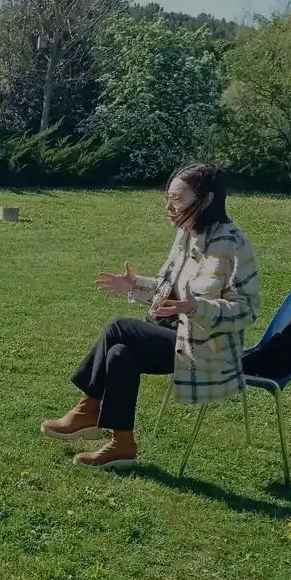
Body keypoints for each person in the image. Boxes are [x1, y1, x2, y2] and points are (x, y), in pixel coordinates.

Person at [41, 163, 260, 468]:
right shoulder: (186, 236)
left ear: (206, 200)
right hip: (167, 334)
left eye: (178, 199)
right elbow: (167, 290)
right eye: (168, 198)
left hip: (205, 347)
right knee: (119, 353)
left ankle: (87, 409)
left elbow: (247, 309)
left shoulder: (233, 243)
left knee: (118, 327)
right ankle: (122, 444)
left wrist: (196, 308)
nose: (170, 207)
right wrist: (135, 284)